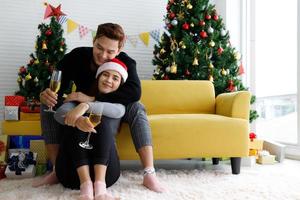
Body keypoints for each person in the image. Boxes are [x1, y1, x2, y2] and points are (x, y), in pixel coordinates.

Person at [35, 23, 166, 192]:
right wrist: (47, 94)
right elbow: (56, 83)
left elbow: (134, 92)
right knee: (48, 104)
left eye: (110, 52)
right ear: (94, 40)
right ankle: (56, 170)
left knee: (137, 107)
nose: (103, 55)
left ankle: (149, 173)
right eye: (99, 47)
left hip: (113, 108)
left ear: (119, 50)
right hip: (79, 109)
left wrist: (91, 99)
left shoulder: (126, 62)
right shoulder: (77, 57)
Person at [54, 58, 128, 200]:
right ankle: (86, 185)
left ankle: (100, 188)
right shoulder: (77, 99)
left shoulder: (119, 105)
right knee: (74, 118)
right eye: (105, 75)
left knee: (101, 120)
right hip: (71, 171)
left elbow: (118, 112)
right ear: (98, 77)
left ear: (120, 84)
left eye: (115, 78)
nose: (109, 80)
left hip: (107, 173)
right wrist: (77, 119)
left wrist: (86, 105)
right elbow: (59, 114)